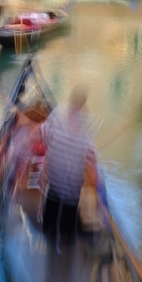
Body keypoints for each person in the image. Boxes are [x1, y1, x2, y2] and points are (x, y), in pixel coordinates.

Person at [40, 85, 98, 248]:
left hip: (69, 175)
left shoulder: (62, 114)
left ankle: (56, 236)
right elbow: (90, 149)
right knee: (59, 205)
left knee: (63, 206)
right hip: (61, 173)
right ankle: (57, 237)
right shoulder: (79, 119)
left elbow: (46, 133)